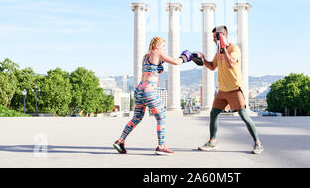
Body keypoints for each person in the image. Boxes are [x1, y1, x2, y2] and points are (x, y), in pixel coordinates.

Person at [113, 36, 193, 155]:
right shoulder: (157, 53)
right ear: (156, 46)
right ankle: (161, 146)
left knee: (136, 118)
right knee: (161, 117)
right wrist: (185, 56)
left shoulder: (145, 57)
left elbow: (151, 69)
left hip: (139, 90)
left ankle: (120, 140)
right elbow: (176, 62)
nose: (164, 48)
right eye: (163, 46)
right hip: (149, 90)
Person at [197, 26, 263, 154]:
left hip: (234, 88)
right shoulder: (218, 51)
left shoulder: (234, 49)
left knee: (244, 116)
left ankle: (258, 144)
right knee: (213, 114)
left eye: (215, 37)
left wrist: (223, 49)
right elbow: (212, 66)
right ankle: (212, 142)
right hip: (222, 90)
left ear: (222, 36)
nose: (213, 40)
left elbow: (230, 63)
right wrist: (202, 59)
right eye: (213, 37)